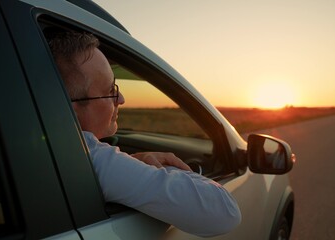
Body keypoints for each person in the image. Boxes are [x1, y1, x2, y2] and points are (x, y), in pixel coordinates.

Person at [47, 31, 241, 237]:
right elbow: (225, 213)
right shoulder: (88, 156)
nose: (121, 98)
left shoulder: (50, 149)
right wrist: (169, 170)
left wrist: (129, 161)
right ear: (70, 108)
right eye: (111, 90)